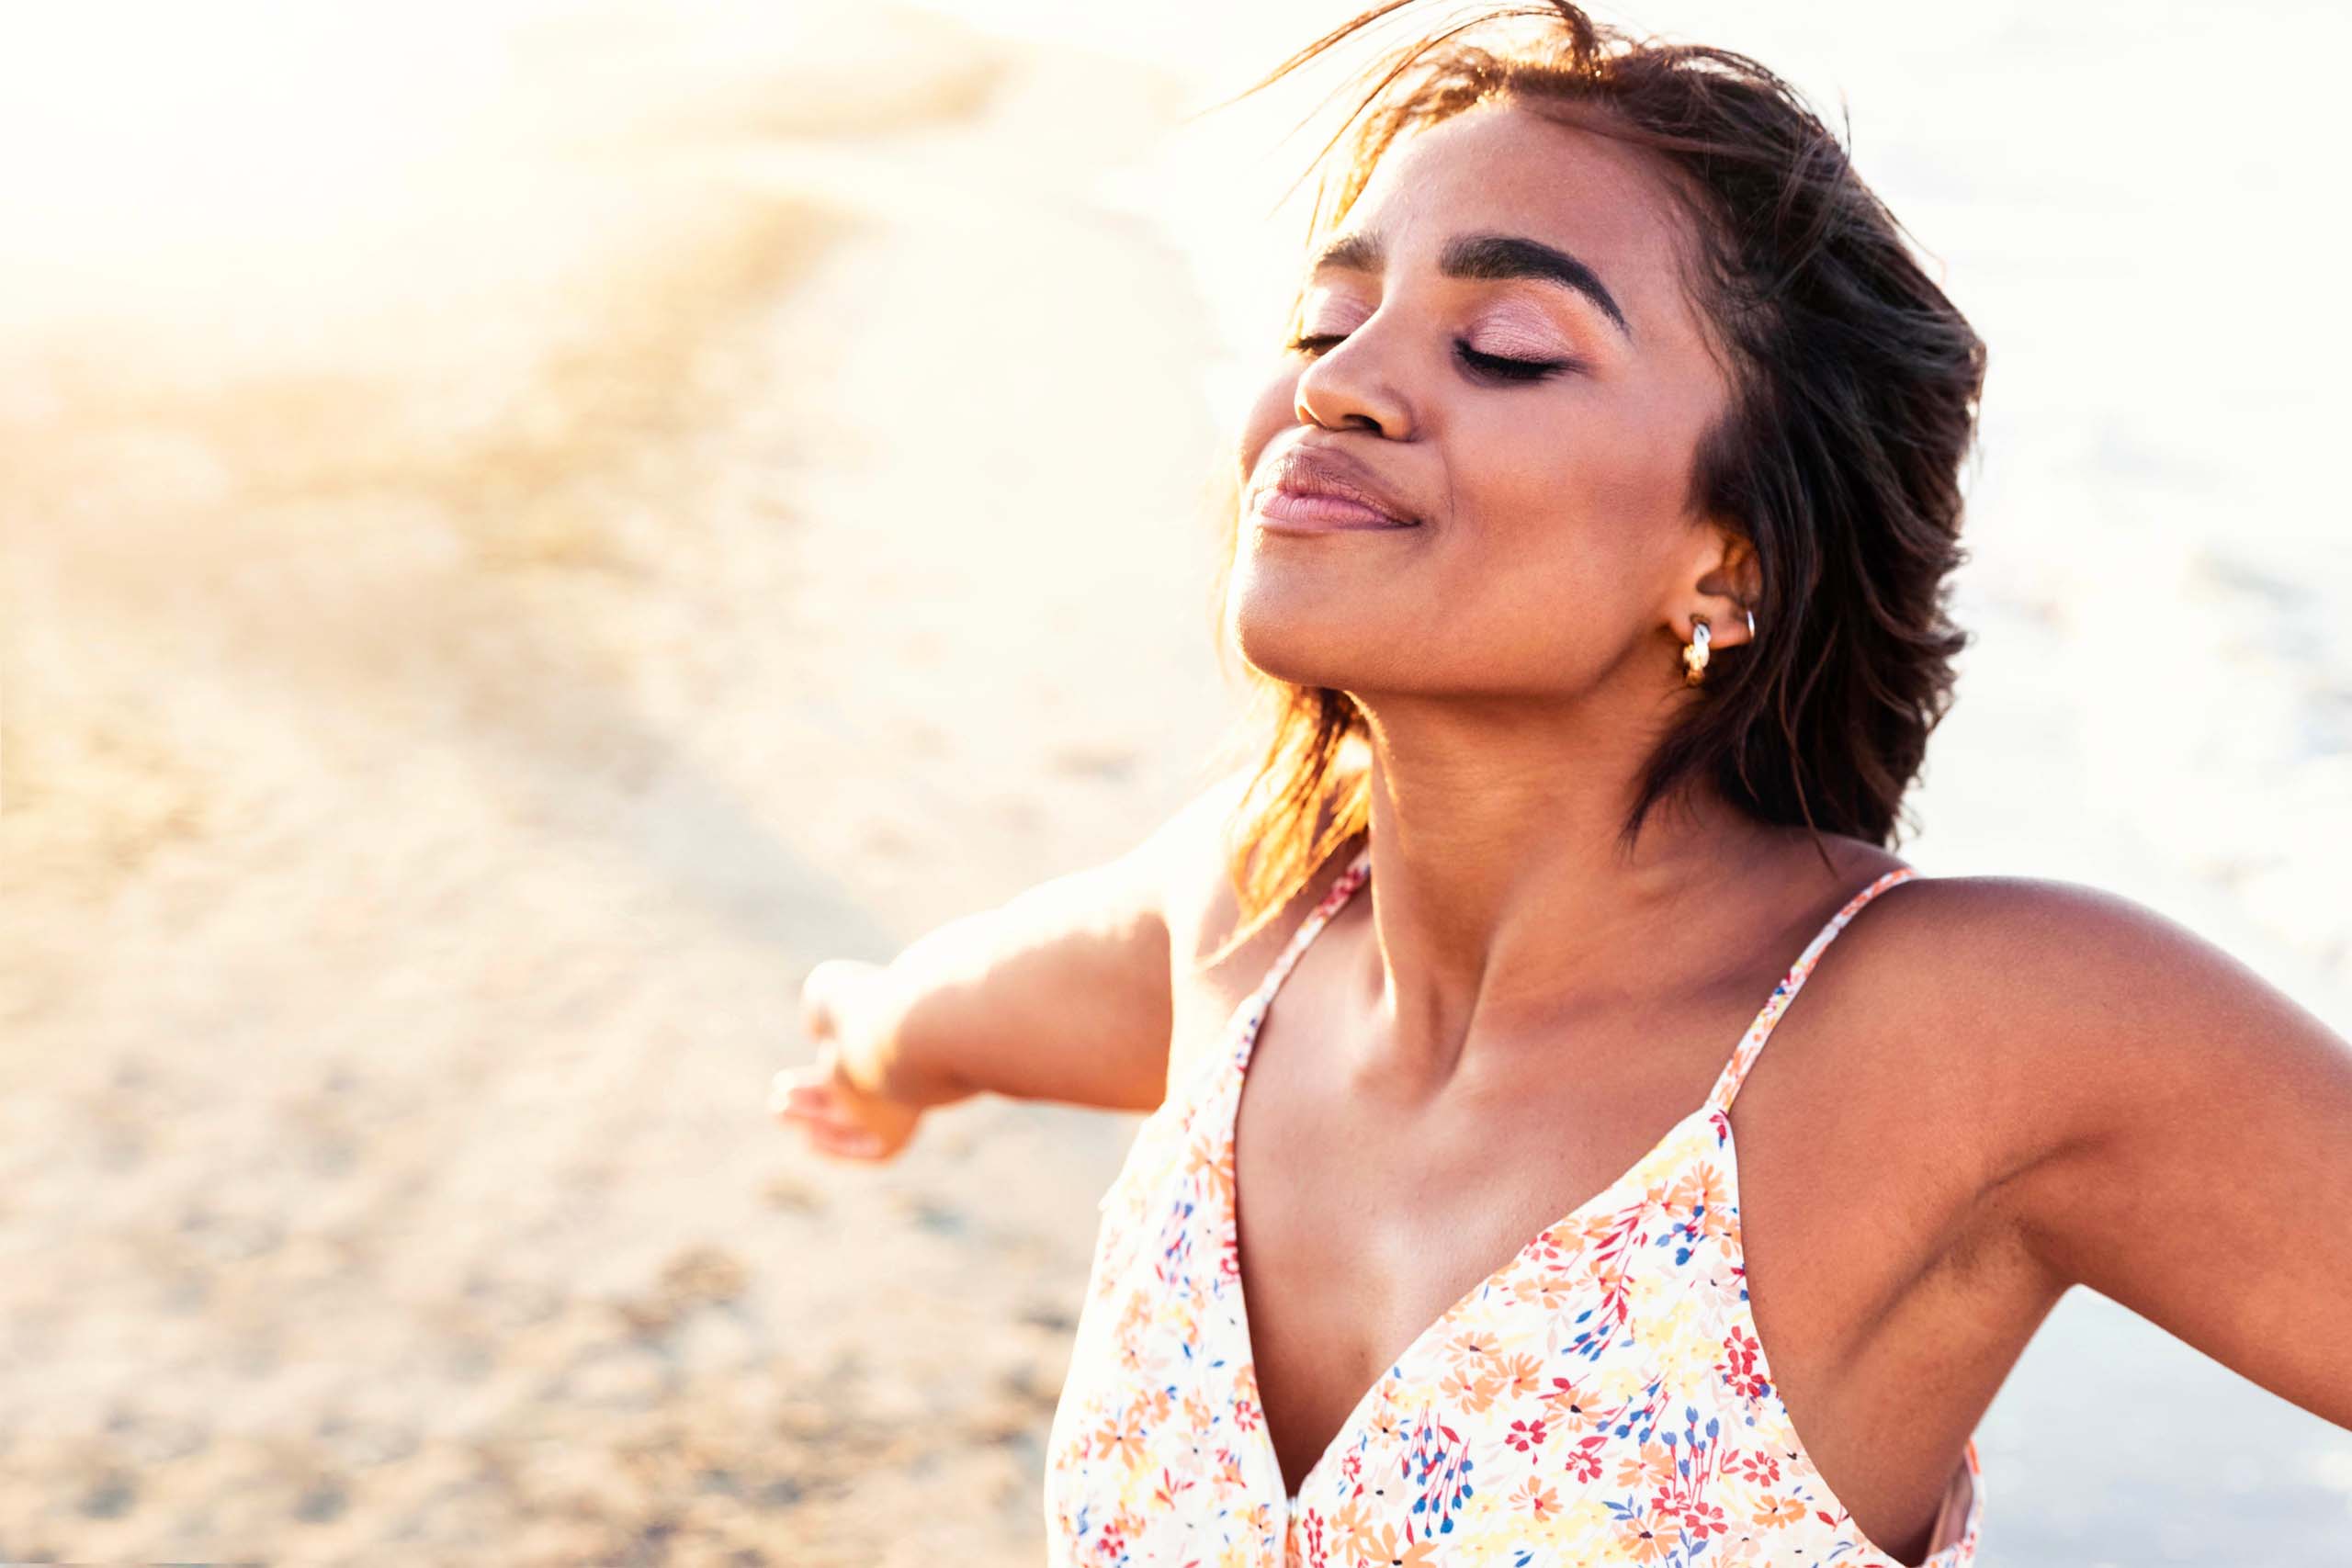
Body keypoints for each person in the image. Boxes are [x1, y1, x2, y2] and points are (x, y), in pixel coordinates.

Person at [771, 4, 2352, 1563]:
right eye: (1324, 324)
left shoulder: (1969, 1040)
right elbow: (940, 1010)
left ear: (1732, 560)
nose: (1338, 383)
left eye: (1508, 346)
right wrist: (870, 1049)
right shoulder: (1252, 926)